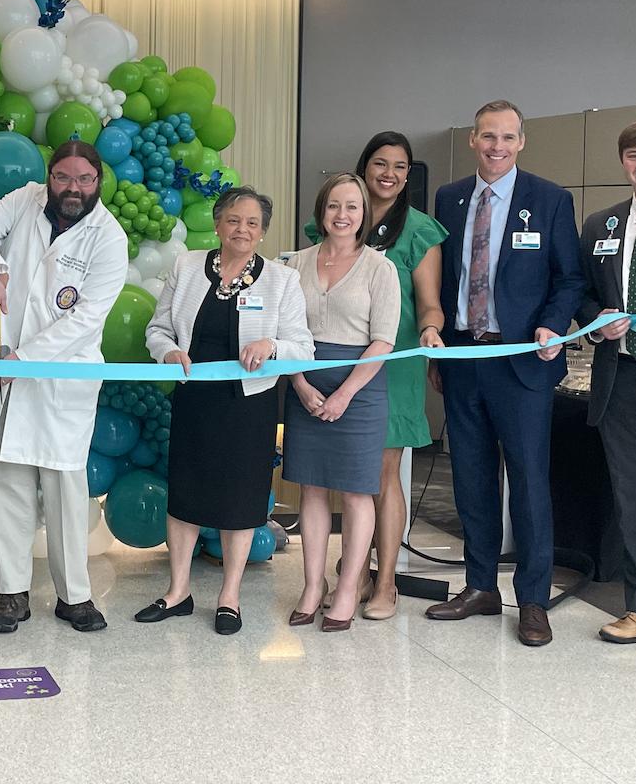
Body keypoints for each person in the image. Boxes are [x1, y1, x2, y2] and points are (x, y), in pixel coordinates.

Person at [426, 100, 583, 647]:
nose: (497, 146)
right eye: (488, 136)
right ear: (473, 139)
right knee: (470, 480)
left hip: (523, 363)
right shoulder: (448, 199)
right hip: (464, 359)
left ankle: (533, 600)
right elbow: (441, 279)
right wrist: (437, 343)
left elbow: (570, 279)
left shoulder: (549, 199)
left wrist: (551, 324)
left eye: (508, 137)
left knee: (528, 483)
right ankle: (480, 586)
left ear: (522, 143)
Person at [0, 141, 127, 633]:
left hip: (60, 379)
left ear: (98, 182)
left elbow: (86, 318)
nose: (72, 189)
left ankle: (75, 596)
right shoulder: (26, 198)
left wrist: (23, 360)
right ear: (49, 176)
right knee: (3, 484)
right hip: (4, 372)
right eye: (63, 178)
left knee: (66, 493)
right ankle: (11, 594)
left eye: (84, 180)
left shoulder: (108, 237)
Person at [141, 187, 314, 634]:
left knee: (240, 499)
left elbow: (303, 348)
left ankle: (230, 597)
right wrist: (169, 352)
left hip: (249, 405)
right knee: (185, 496)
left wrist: (271, 345)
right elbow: (157, 329)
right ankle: (178, 591)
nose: (242, 230)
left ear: (262, 233)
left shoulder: (282, 280)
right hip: (195, 400)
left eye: (252, 223)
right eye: (234, 220)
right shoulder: (187, 266)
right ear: (217, 225)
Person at [303, 133, 447, 620]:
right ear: (363, 168)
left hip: (395, 359)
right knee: (337, 475)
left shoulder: (421, 229)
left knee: (381, 475)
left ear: (409, 176)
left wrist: (430, 330)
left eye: (400, 167)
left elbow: (429, 302)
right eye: (380, 163)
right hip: (333, 361)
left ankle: (384, 581)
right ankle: (353, 574)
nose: (389, 173)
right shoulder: (334, 220)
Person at [284, 172, 400, 632]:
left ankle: (348, 587)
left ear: (364, 215)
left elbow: (383, 341)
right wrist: (300, 384)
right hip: (304, 384)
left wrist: (345, 393)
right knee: (311, 488)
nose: (342, 215)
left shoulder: (380, 268)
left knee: (355, 491)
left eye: (352, 207)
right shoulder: (294, 264)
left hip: (361, 390)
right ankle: (313, 586)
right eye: (334, 205)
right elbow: (282, 333)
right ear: (321, 210)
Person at [577, 118, 636, 644]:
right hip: (621, 378)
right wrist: (598, 318)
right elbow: (578, 295)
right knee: (633, 496)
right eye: (633, 155)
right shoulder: (600, 225)